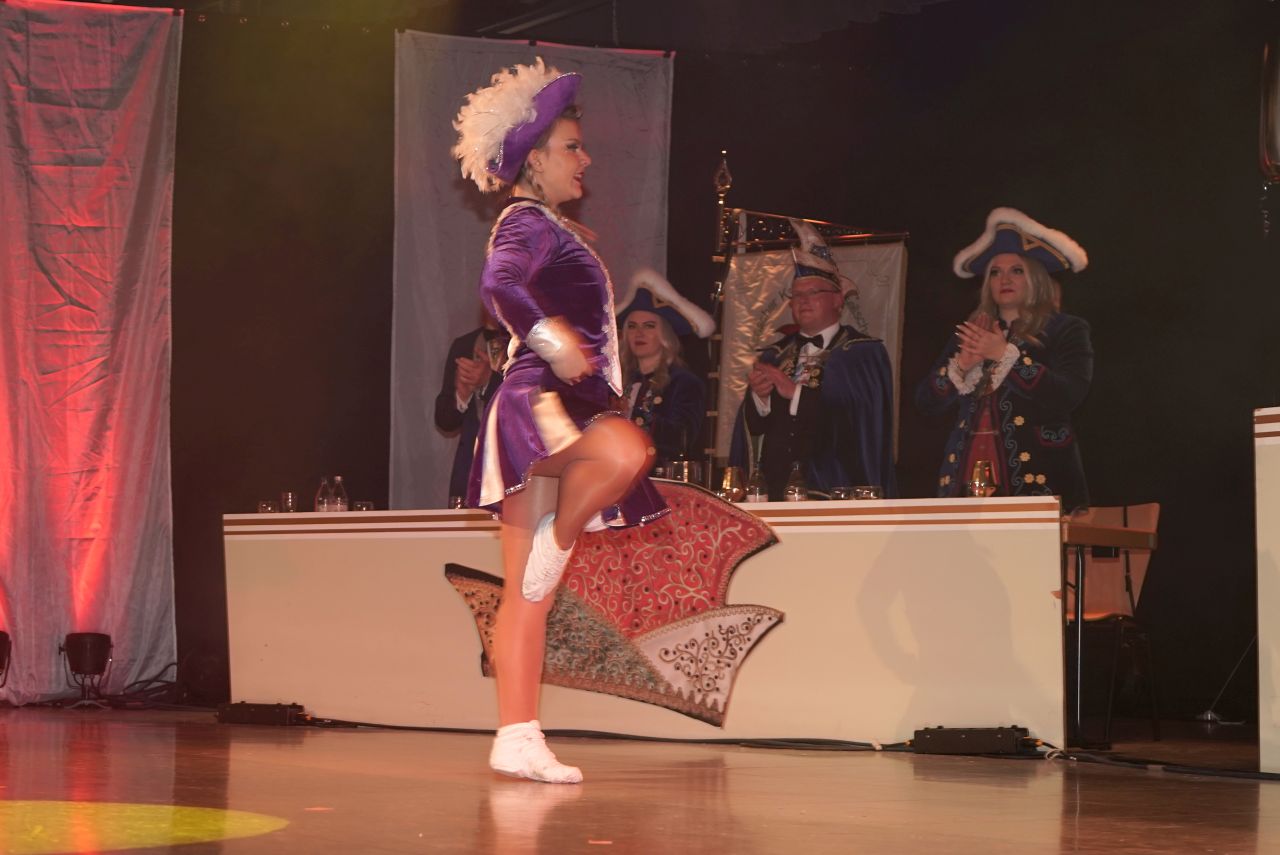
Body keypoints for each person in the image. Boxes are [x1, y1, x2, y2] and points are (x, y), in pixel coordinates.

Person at [452, 58, 666, 784]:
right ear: (536, 159)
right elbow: (497, 284)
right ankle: (562, 531)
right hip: (543, 395)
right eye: (572, 147)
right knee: (626, 451)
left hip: (558, 397)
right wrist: (550, 338)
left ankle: (516, 736)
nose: (586, 158)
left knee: (528, 594)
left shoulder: (544, 225)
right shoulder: (524, 222)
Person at [915, 207, 1092, 512]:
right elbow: (925, 404)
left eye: (1017, 270)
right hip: (967, 474)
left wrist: (1005, 356)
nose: (1004, 279)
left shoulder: (1066, 329)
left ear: (1036, 278)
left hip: (1039, 478)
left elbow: (1068, 394)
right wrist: (961, 367)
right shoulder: (970, 331)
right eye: (995, 272)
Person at [737, 219, 897, 500]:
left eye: (814, 292)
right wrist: (760, 399)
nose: (803, 300)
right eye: (797, 295)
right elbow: (755, 432)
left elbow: (858, 424)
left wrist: (794, 393)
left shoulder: (862, 353)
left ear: (838, 299)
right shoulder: (775, 354)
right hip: (776, 493)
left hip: (835, 491)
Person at [616, 269, 714, 472]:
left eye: (649, 326)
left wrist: (635, 415)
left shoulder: (684, 382)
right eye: (632, 326)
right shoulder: (618, 381)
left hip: (661, 479)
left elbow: (683, 439)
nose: (639, 333)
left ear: (665, 334)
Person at [434, 312, 509, 504]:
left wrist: (489, 381)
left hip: (511, 472)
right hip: (467, 474)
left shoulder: (527, 346)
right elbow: (445, 421)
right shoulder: (464, 345)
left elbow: (527, 405)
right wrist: (462, 396)